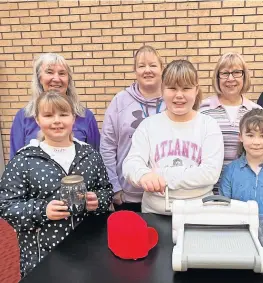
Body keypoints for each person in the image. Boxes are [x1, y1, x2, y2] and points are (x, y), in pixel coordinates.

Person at [0, 91, 113, 277]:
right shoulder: (25, 159)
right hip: (42, 254)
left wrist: (97, 200)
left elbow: (106, 190)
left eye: (63, 114)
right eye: (48, 115)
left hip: (88, 249)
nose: (57, 121)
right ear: (37, 119)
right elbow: (6, 205)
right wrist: (43, 210)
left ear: (73, 118)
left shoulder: (90, 155)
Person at [123, 60, 224, 215]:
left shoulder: (208, 125)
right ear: (162, 89)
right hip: (155, 213)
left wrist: (160, 176)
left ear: (196, 90)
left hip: (198, 214)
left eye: (186, 88)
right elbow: (131, 163)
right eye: (172, 88)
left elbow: (210, 173)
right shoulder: (148, 126)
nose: (179, 95)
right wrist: (144, 175)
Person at [100, 45, 166, 212]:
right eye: (141, 66)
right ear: (135, 70)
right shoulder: (120, 101)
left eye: (152, 65)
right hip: (128, 195)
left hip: (165, 193)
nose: (147, 70)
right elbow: (107, 146)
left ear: (161, 68)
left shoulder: (172, 101)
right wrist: (115, 186)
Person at [10, 53, 100, 158]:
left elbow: (94, 157)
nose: (56, 79)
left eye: (62, 73)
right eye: (49, 72)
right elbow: (15, 159)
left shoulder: (85, 116)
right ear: (40, 78)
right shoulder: (24, 117)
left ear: (68, 80)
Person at [200, 52, 261, 192]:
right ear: (217, 77)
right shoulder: (203, 109)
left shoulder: (256, 111)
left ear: (244, 76)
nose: (230, 78)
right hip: (207, 190)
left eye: (237, 72)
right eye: (225, 73)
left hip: (245, 190)